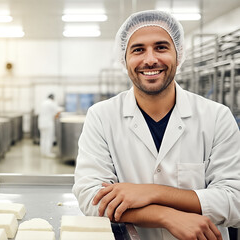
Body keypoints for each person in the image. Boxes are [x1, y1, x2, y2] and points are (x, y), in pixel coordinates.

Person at [72, 10, 240, 240]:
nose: (150, 59)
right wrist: (166, 216)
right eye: (138, 49)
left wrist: (151, 192)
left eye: (161, 47)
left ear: (178, 54)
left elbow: (235, 200)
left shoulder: (217, 117)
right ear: (124, 59)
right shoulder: (101, 116)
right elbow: (91, 198)